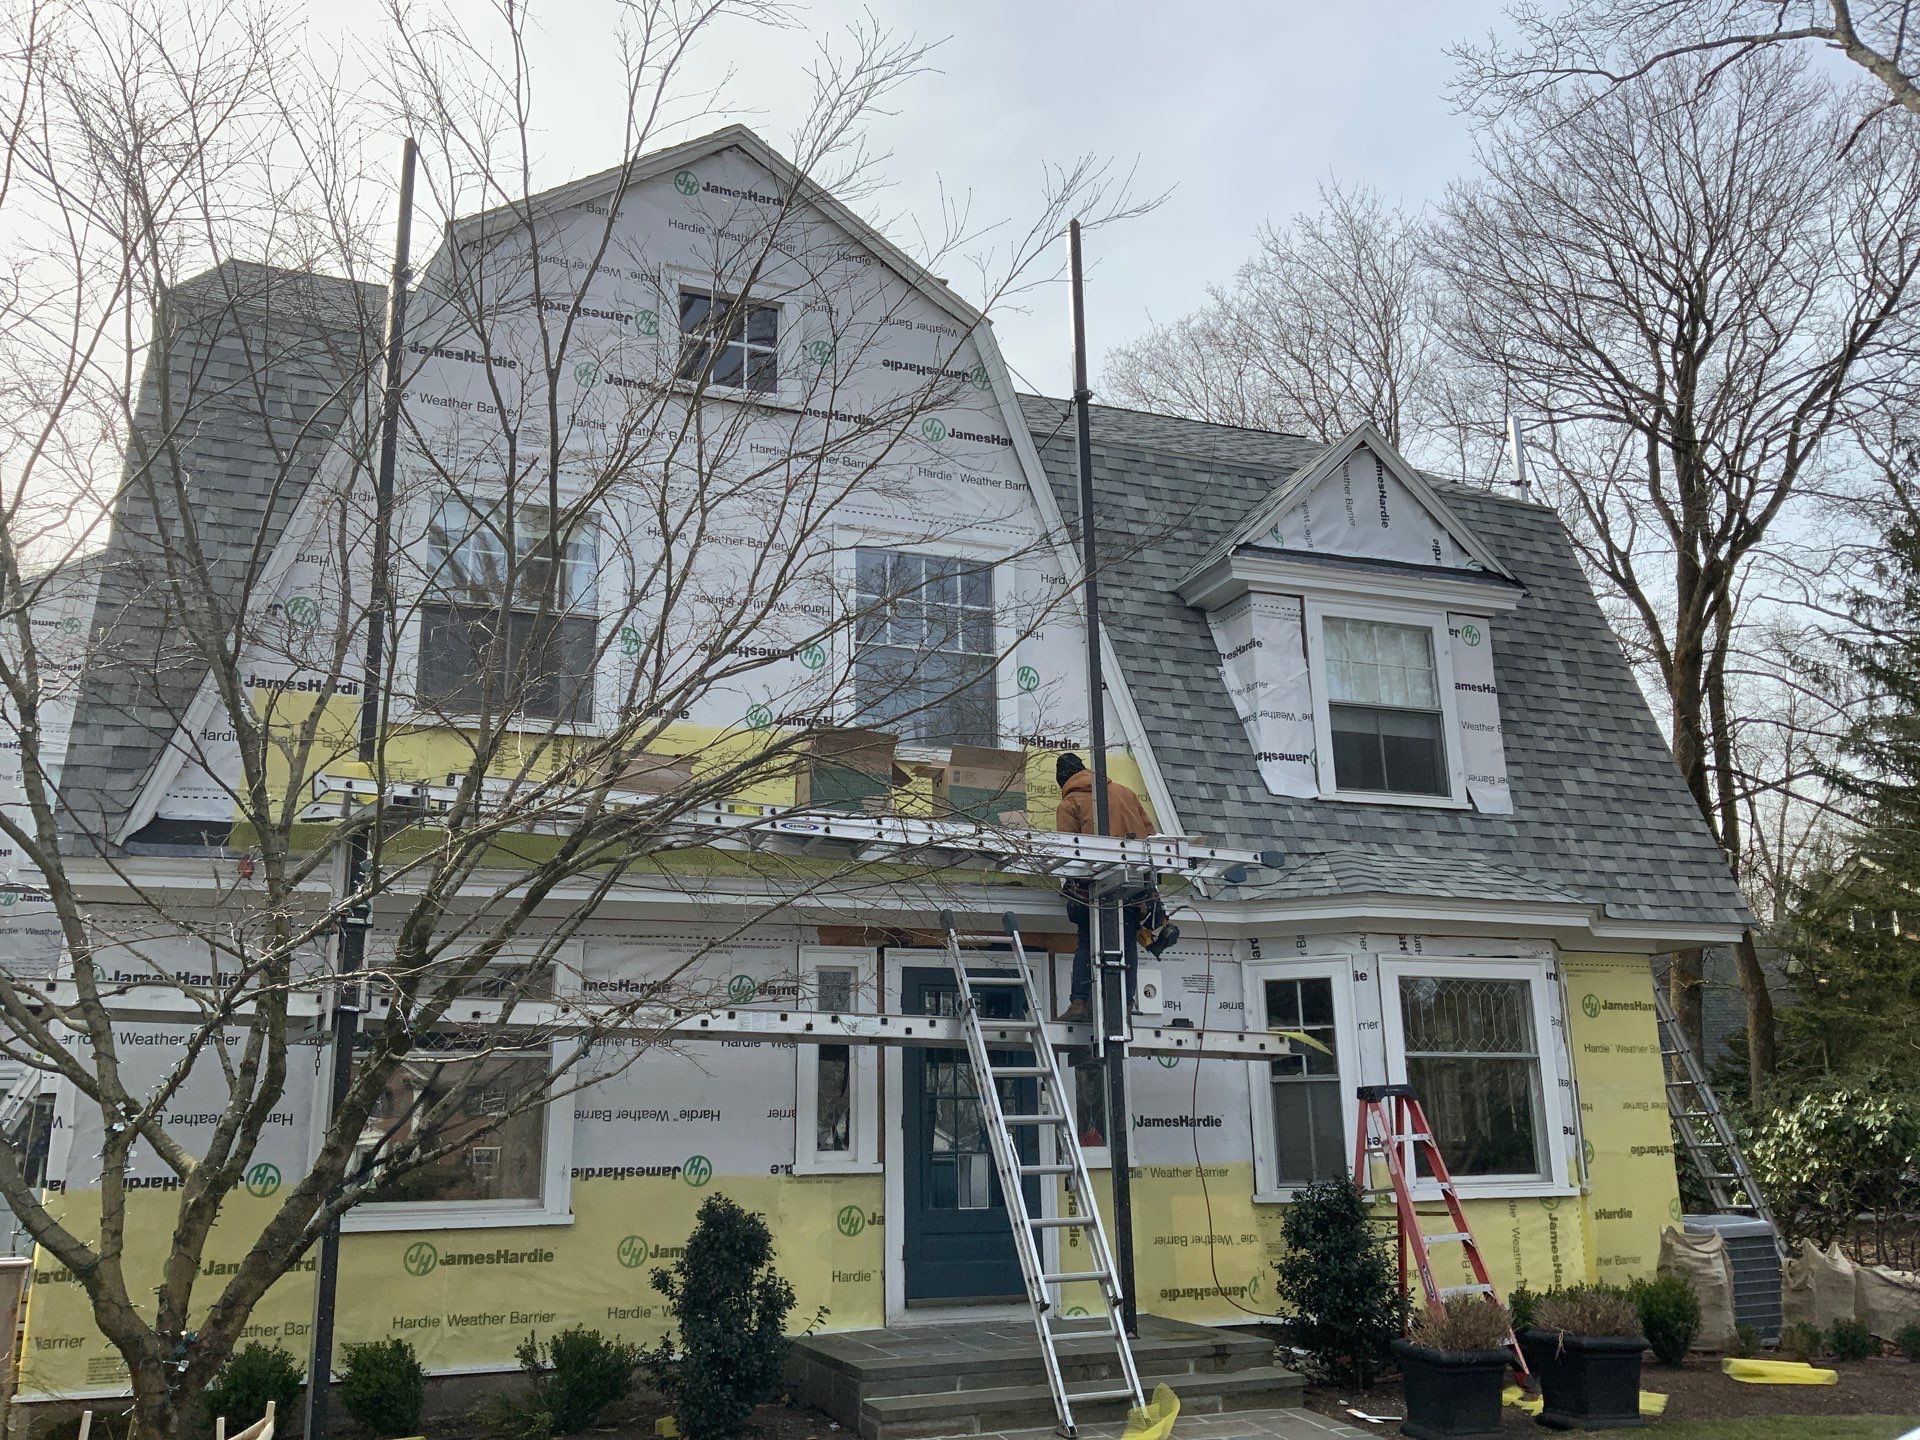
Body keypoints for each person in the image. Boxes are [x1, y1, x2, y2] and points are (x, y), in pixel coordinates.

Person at [1052, 752, 1178, 1023]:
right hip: (1135, 883)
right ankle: (1126, 1005)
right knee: (1127, 940)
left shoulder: (1070, 803)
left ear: (1062, 779)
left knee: (1088, 939)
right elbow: (1151, 837)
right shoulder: (1126, 793)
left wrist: (1069, 887)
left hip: (1095, 886)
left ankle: (1079, 1003)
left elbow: (1068, 853)